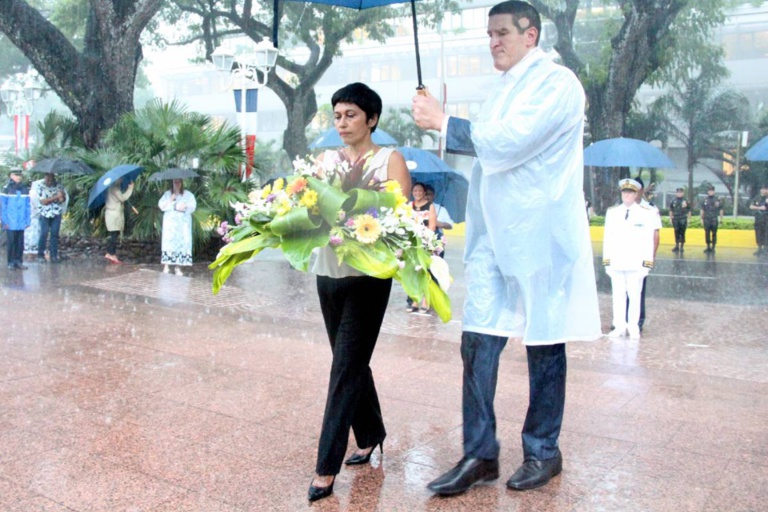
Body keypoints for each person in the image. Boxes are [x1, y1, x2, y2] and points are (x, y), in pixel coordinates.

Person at [412, 0, 601, 496]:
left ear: (531, 34)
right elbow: (486, 146)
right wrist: (444, 124)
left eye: (502, 33)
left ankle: (543, 450)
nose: (492, 42)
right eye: (488, 34)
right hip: (493, 233)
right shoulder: (501, 89)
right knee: (478, 338)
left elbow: (511, 141)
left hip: (539, 231)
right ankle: (480, 453)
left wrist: (445, 121)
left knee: (543, 339)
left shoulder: (558, 84)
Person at [308, 82, 411, 502]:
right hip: (328, 272)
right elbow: (310, 207)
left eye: (351, 114)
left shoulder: (390, 159)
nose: (342, 123)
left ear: (371, 119)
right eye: (336, 115)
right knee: (349, 359)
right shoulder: (325, 160)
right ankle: (370, 433)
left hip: (369, 277)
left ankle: (325, 468)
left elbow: (398, 215)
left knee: (345, 368)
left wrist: (352, 211)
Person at [603, 179, 658, 340]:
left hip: (635, 263)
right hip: (617, 262)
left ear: (636, 194)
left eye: (631, 192)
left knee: (634, 296)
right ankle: (619, 326)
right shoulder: (612, 213)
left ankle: (633, 326)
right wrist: (607, 263)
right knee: (618, 296)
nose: (627, 195)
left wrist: (646, 264)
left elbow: (648, 240)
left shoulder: (646, 213)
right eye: (624, 192)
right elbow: (608, 238)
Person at [632, 176, 660, 332]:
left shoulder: (650, 209)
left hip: (641, 256)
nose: (630, 193)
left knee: (639, 289)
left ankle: (638, 320)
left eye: (634, 190)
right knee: (623, 290)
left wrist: (651, 257)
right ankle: (622, 319)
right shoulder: (620, 209)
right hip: (624, 256)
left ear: (641, 191)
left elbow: (655, 235)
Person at [406, 182, 437, 313]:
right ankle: (414, 301)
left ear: (424, 193)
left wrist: (426, 240)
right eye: (415, 191)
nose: (417, 193)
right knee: (413, 272)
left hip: (424, 243)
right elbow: (405, 222)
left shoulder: (430, 206)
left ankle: (425, 301)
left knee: (425, 272)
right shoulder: (409, 206)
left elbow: (432, 225)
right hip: (411, 243)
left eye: (420, 191)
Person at [158, 179, 197, 276]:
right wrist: (170, 199)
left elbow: (192, 206)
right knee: (169, 243)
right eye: (175, 182)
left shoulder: (188, 195)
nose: (177, 184)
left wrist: (185, 206)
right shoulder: (167, 194)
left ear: (182, 183)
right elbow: (161, 206)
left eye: (179, 182)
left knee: (181, 244)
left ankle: (178, 267)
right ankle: (166, 266)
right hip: (170, 224)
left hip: (182, 224)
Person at [34, 173, 67, 263]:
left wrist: (62, 195)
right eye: (47, 177)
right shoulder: (40, 186)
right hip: (45, 213)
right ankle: (40, 255)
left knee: (54, 234)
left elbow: (61, 200)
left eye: (50, 177)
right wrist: (56, 196)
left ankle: (54, 255)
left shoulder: (59, 186)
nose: (48, 179)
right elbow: (43, 201)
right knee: (43, 234)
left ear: (53, 177)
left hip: (56, 213)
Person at [1, 170, 31, 270]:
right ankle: (11, 262)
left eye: (20, 175)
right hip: (11, 220)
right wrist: (5, 221)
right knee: (11, 242)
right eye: (16, 175)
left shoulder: (24, 188)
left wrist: (27, 220)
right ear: (11, 175)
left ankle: (19, 261)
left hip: (21, 220)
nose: (18, 177)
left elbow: (28, 206)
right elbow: (3, 206)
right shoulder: (6, 188)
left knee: (20, 242)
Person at [104, 178, 134, 263]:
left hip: (112, 214)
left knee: (114, 234)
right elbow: (123, 198)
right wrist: (130, 189)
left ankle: (110, 253)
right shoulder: (114, 189)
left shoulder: (110, 188)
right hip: (114, 215)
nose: (121, 181)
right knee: (114, 234)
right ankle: (111, 253)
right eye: (120, 179)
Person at [700, 185, 722, 254]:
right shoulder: (705, 199)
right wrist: (701, 218)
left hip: (714, 218)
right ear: (708, 192)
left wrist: (721, 219)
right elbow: (702, 209)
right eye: (709, 191)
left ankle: (713, 247)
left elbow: (721, 210)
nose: (711, 192)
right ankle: (708, 247)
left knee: (714, 233)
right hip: (707, 219)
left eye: (712, 191)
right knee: (707, 233)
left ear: (714, 191)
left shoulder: (718, 199)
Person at [669, 187, 690, 254]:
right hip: (676, 218)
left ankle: (682, 246)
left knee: (682, 232)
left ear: (683, 193)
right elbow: (671, 210)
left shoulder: (686, 201)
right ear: (676, 193)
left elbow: (689, 210)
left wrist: (689, 219)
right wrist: (670, 218)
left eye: (680, 192)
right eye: (678, 192)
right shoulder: (673, 201)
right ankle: (677, 245)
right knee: (676, 231)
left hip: (683, 218)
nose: (679, 194)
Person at [749, 184, 767, 256]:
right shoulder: (757, 198)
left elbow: (765, 208)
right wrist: (759, 208)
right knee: (758, 234)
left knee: (766, 234)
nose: (764, 190)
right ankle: (759, 248)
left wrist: (759, 207)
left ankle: (765, 249)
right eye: (762, 189)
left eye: (765, 189)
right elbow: (751, 206)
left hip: (766, 219)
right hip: (758, 219)